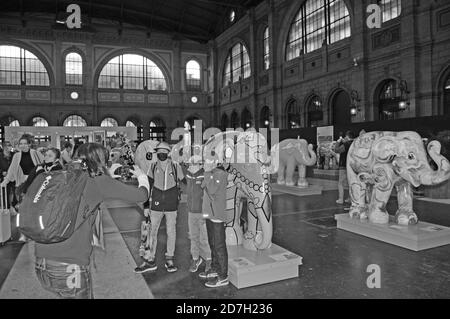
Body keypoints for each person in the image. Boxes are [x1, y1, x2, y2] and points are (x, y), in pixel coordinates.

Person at [33, 143, 150, 299]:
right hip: (69, 267)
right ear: (99, 160)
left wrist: (109, 175)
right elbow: (141, 195)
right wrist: (142, 177)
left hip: (42, 263)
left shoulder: (62, 174)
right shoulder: (99, 182)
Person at [134, 141, 185, 274]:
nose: (162, 154)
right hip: (156, 205)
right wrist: (145, 205)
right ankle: (150, 260)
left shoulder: (175, 167)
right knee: (152, 232)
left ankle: (169, 258)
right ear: (157, 153)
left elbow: (185, 182)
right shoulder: (152, 166)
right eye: (159, 152)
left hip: (171, 206)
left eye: (164, 152)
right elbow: (148, 186)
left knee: (171, 232)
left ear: (168, 153)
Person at [200, 160, 229, 288]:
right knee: (212, 243)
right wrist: (207, 172)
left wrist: (206, 172)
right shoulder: (212, 173)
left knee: (219, 246)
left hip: (217, 215)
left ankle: (223, 276)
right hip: (209, 214)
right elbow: (202, 185)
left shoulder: (221, 173)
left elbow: (211, 189)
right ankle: (215, 268)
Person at [185, 150, 211, 273]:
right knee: (193, 237)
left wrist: (207, 214)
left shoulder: (205, 175)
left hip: (202, 212)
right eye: (189, 164)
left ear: (200, 165)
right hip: (191, 212)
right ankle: (195, 258)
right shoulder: (189, 175)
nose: (190, 166)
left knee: (204, 238)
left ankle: (209, 260)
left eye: (192, 164)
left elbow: (210, 195)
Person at [335, 130, 355, 204]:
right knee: (351, 183)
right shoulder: (355, 143)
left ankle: (340, 199)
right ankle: (351, 198)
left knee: (341, 183)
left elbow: (336, 150)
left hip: (344, 165)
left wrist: (338, 142)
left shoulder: (346, 144)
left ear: (347, 136)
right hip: (352, 166)